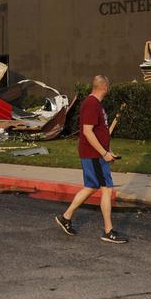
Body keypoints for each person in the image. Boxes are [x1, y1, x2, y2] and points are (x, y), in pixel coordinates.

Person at [55, 74, 127, 243]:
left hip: (96, 154)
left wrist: (108, 151)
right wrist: (103, 153)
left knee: (91, 186)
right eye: (108, 86)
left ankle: (66, 217)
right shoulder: (91, 104)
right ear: (104, 87)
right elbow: (87, 132)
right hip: (94, 155)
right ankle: (108, 231)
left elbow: (98, 133)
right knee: (106, 189)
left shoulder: (95, 104)